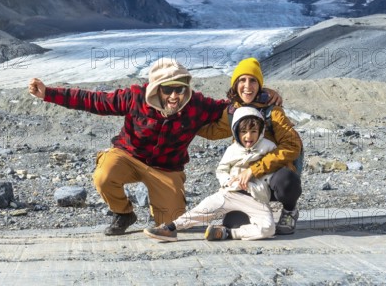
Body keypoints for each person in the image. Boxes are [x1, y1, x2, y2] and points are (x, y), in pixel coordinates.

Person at [28, 58, 282, 236]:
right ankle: (123, 213)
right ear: (157, 89)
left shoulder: (196, 105)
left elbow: (232, 108)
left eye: (180, 90)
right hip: (128, 156)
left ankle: (158, 208)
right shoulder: (135, 97)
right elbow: (93, 101)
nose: (175, 96)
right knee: (104, 175)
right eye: (168, 90)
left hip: (166, 168)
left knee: (171, 224)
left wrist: (259, 93)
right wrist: (48, 93)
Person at [196, 57, 303, 235]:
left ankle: (290, 210)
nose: (247, 86)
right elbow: (213, 131)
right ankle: (260, 214)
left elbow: (292, 146)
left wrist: (255, 169)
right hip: (246, 180)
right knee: (233, 223)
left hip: (272, 175)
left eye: (253, 80)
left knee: (287, 181)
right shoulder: (232, 112)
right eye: (242, 80)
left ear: (259, 84)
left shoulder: (273, 111)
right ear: (235, 84)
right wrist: (184, 122)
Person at [143, 106, 278, 241]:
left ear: (260, 131)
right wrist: (228, 181)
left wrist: (254, 182)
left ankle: (227, 233)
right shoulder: (232, 149)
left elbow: (272, 169)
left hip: (256, 198)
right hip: (230, 194)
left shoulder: (269, 147)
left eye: (254, 131)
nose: (248, 136)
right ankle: (170, 229)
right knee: (202, 210)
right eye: (243, 131)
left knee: (268, 228)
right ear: (236, 131)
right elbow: (221, 169)